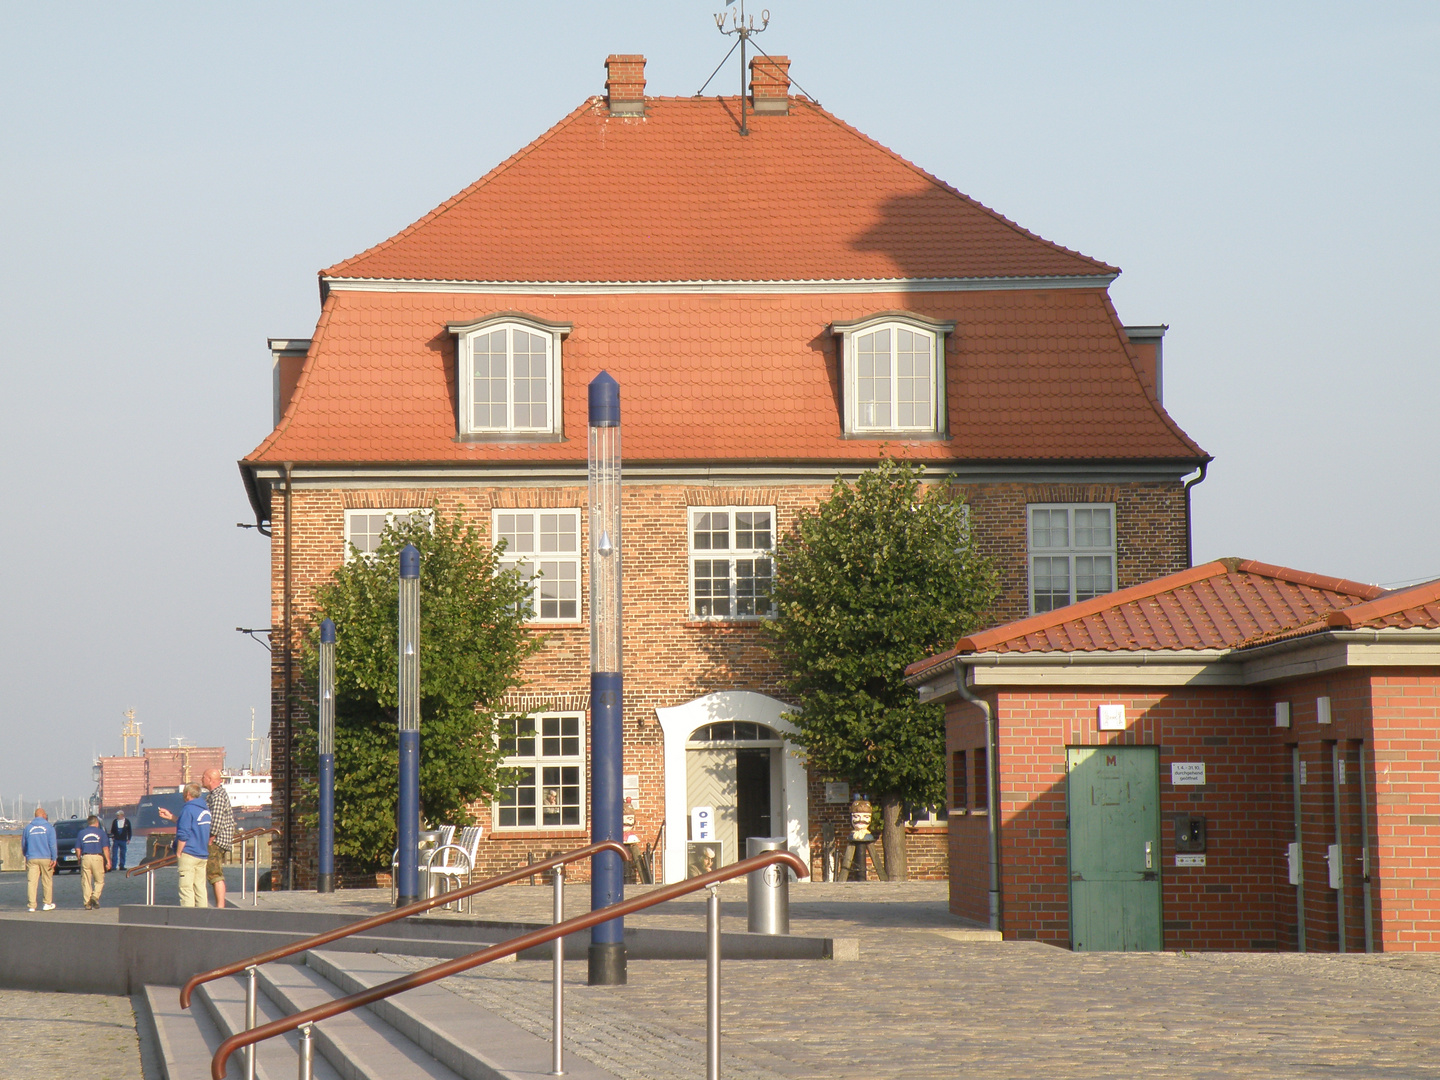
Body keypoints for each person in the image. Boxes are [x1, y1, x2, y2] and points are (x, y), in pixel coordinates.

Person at [173, 782, 211, 908]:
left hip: (189, 853)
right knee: (200, 887)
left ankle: (188, 917)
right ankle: (203, 915)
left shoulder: (188, 809)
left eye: (184, 793)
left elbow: (183, 833)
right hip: (203, 854)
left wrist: (179, 852)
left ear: (188, 794)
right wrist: (172, 818)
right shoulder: (205, 810)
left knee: (186, 888)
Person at [201, 769, 235, 908]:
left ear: (210, 779)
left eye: (203, 777)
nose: (201, 779)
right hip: (218, 839)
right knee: (213, 873)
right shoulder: (214, 795)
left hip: (217, 840)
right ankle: (219, 905)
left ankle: (220, 907)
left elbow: (217, 819)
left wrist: (211, 837)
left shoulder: (218, 796)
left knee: (214, 873)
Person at [22, 807, 57, 912]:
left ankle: (32, 905)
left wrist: (26, 855)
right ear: (43, 815)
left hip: (32, 857)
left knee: (32, 882)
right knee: (47, 880)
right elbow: (52, 844)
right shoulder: (49, 828)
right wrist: (54, 857)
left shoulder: (28, 828)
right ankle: (47, 903)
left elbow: (24, 844)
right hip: (46, 857)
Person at [76, 815, 111, 909]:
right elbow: (105, 848)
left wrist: (79, 858)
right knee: (99, 880)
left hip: (85, 857)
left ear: (88, 823)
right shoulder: (101, 833)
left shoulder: (81, 833)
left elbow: (78, 848)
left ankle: (87, 902)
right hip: (97, 857)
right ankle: (95, 896)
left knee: (86, 881)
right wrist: (108, 861)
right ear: (97, 823)